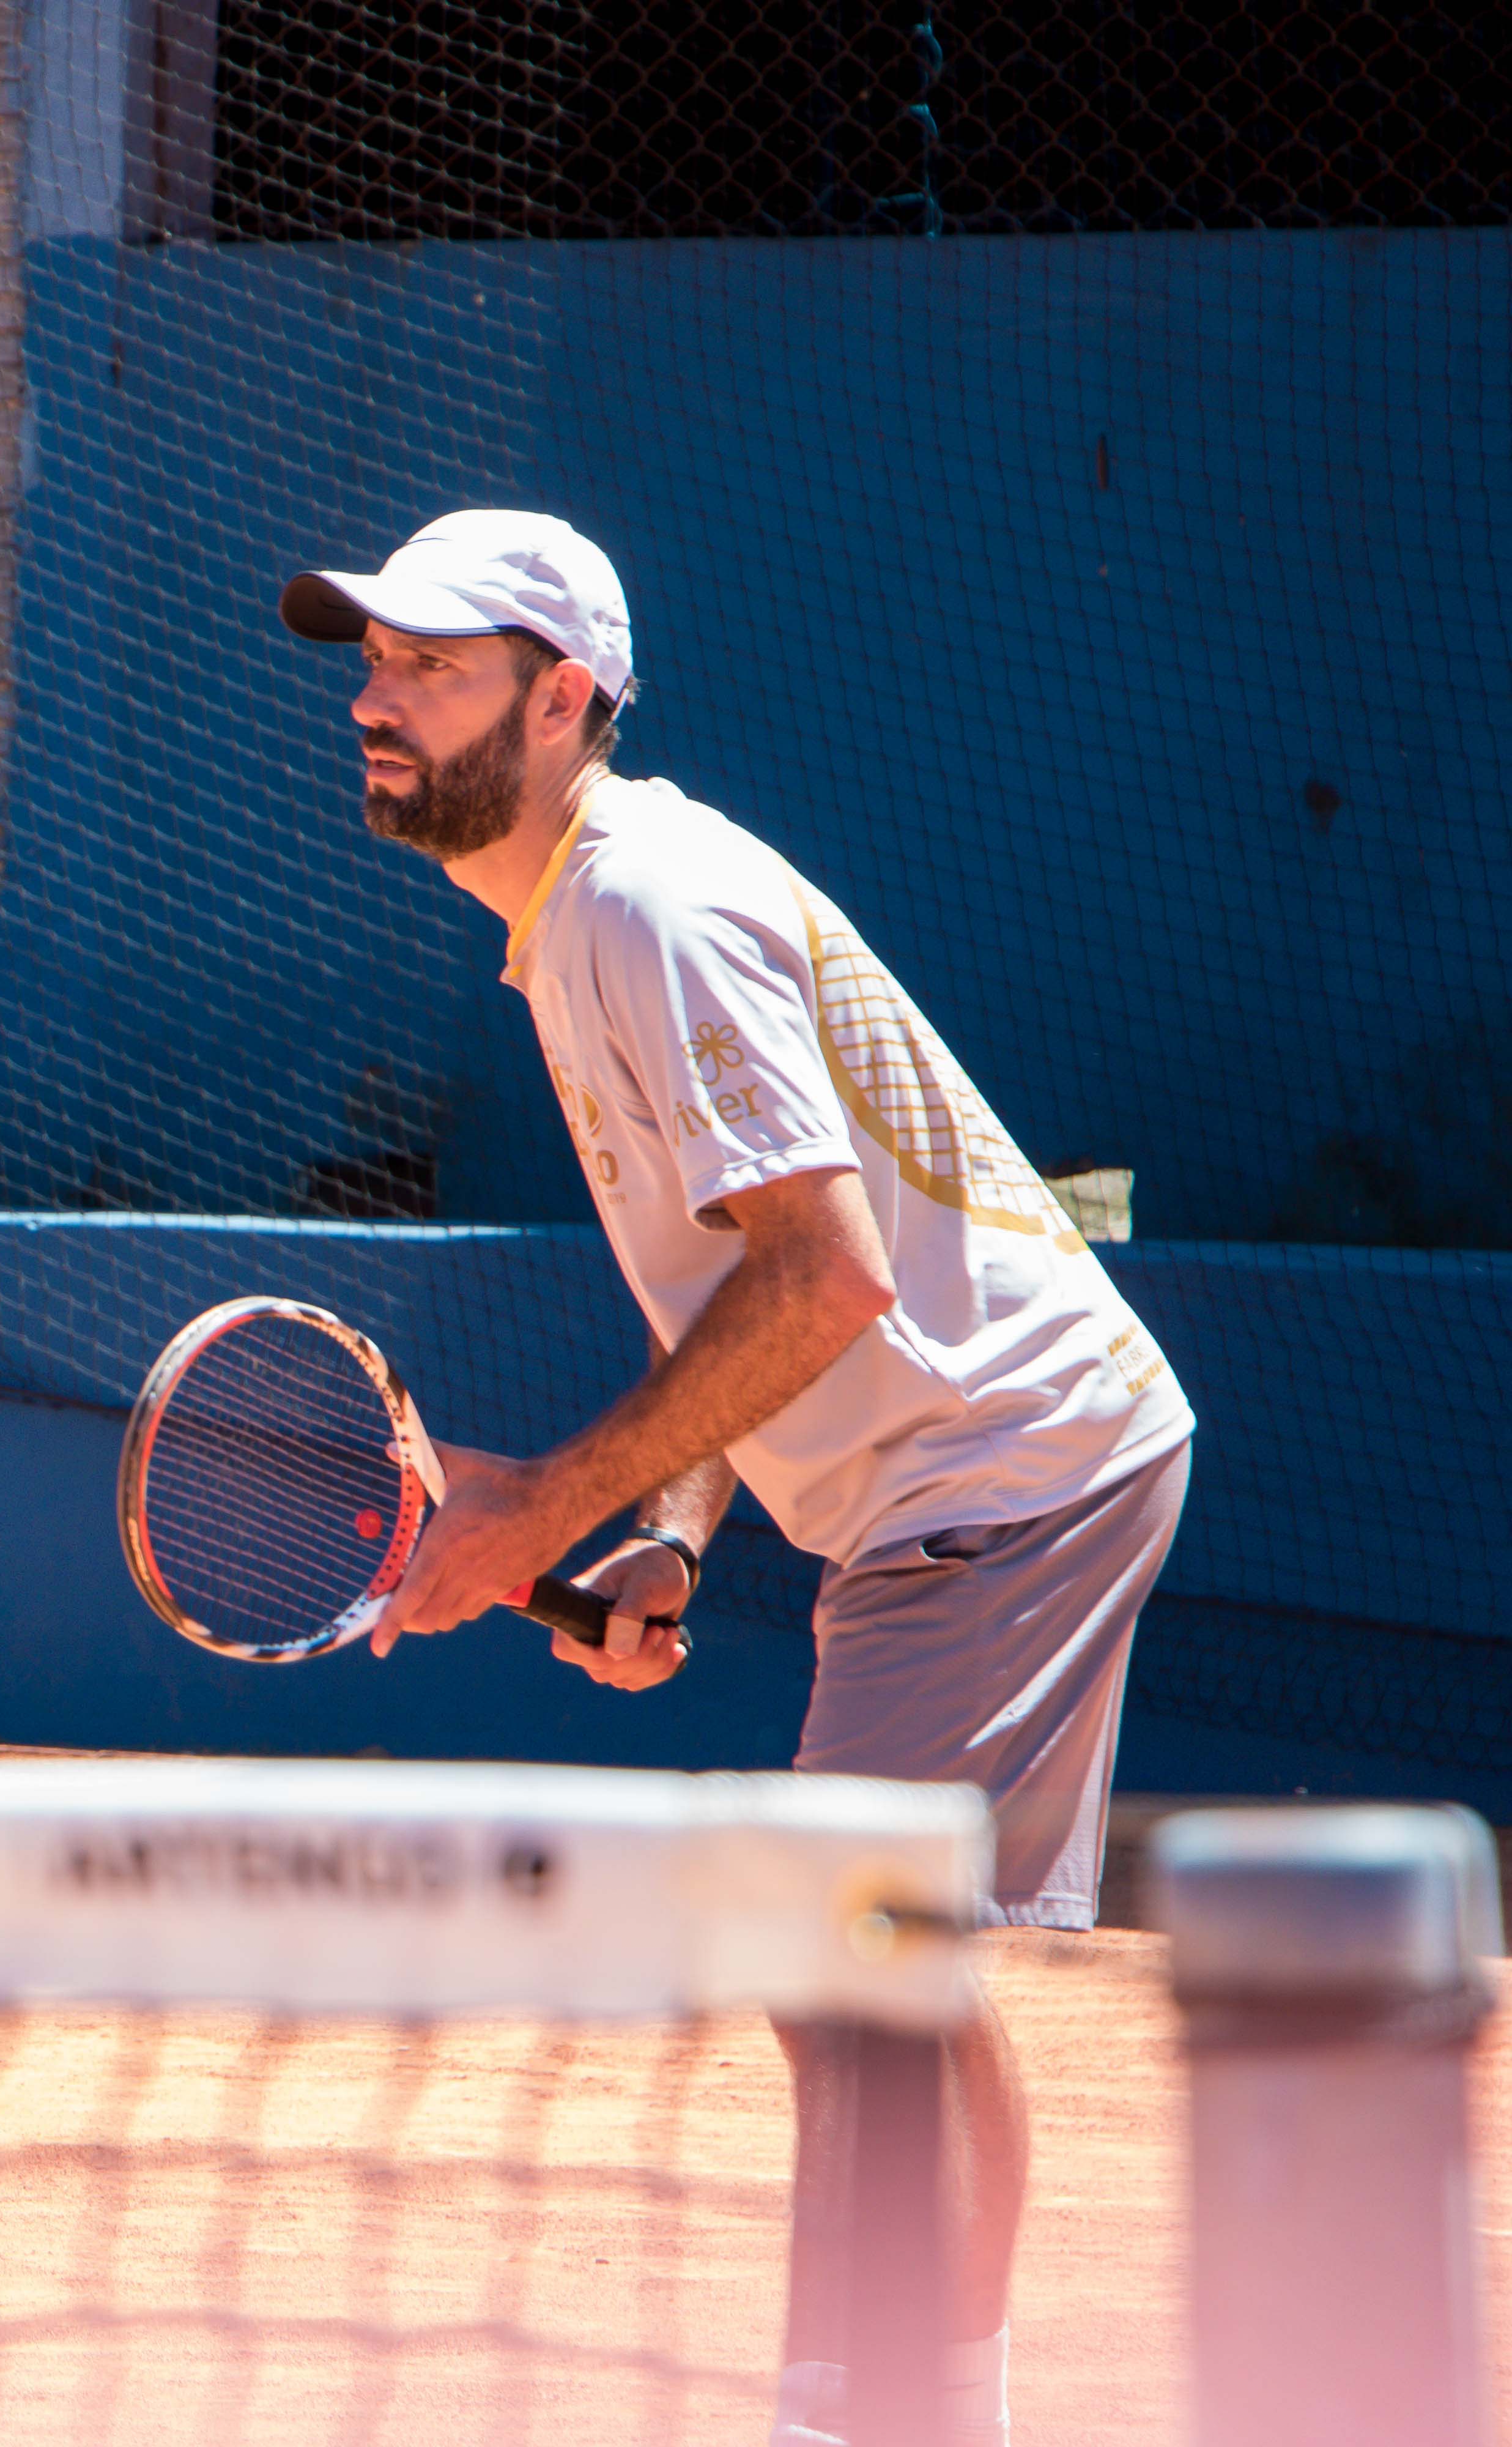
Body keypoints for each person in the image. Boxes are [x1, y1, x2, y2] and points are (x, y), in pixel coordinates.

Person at [280, 511, 1193, 2446]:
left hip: (1009, 1467)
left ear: (563, 700)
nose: (373, 697)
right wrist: (677, 1534)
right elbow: (737, 1291)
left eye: (425, 669)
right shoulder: (568, 928)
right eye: (369, 659)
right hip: (959, 1478)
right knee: (887, 1969)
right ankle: (936, 2408)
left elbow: (832, 1271)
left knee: (844, 1951)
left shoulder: (644, 905)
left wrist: (537, 1513)